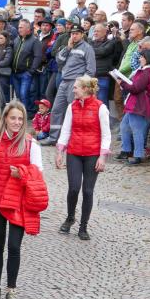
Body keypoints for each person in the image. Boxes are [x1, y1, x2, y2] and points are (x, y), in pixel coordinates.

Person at [0, 101, 44, 299]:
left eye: (20, 119)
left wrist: (22, 174)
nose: (16, 122)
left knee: (14, 246)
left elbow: (38, 173)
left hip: (18, 203)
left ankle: (11, 289)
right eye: (13, 118)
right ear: (5, 118)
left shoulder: (31, 144)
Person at [55, 77, 110, 240]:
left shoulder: (101, 108)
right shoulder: (72, 107)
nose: (73, 90)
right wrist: (60, 151)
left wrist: (102, 157)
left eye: (76, 88)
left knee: (88, 191)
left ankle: (83, 226)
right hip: (74, 152)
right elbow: (65, 130)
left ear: (85, 89)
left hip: (92, 154)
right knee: (73, 188)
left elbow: (106, 135)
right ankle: (70, 217)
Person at [42, 26, 96, 146]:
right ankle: (53, 137)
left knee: (74, 111)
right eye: (72, 33)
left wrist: (82, 86)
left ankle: (73, 139)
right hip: (64, 81)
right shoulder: (69, 46)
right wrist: (67, 48)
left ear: (82, 34)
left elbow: (91, 70)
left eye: (77, 33)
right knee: (56, 109)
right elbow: (59, 60)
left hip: (76, 83)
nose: (74, 36)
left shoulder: (87, 48)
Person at [115, 49, 150, 165]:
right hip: (135, 103)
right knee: (124, 126)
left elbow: (136, 88)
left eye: (142, 57)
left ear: (147, 58)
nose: (139, 59)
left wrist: (122, 83)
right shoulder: (146, 71)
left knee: (137, 130)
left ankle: (138, 155)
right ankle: (127, 150)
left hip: (139, 104)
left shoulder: (147, 72)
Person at [9, 19, 43, 114]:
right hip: (15, 73)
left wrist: (31, 71)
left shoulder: (35, 41)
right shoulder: (17, 39)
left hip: (25, 73)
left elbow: (38, 57)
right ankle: (21, 113)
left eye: (21, 27)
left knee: (24, 94)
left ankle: (27, 113)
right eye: (19, 27)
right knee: (19, 95)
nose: (19, 29)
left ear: (28, 29)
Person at [91, 22, 115, 107]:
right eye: (94, 31)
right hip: (91, 77)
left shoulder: (110, 43)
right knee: (91, 102)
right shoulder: (91, 42)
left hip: (103, 77)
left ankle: (105, 120)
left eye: (98, 31)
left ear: (105, 32)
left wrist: (91, 51)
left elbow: (103, 52)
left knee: (102, 103)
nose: (95, 33)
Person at [0, 31, 13, 103]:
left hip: (3, 75)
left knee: (4, 93)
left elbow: (6, 61)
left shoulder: (9, 48)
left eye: (1, 38)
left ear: (6, 39)